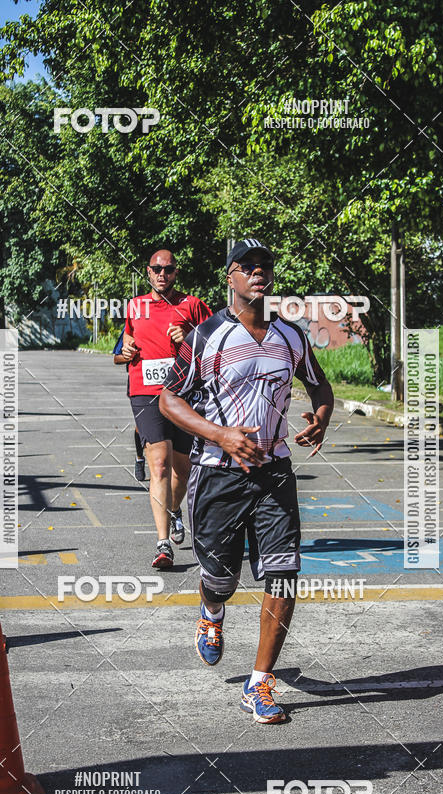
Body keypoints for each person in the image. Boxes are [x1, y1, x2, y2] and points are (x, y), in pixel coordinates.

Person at [159, 238, 334, 723]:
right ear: (230, 277)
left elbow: (319, 383)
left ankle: (260, 684)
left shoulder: (291, 337)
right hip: (217, 474)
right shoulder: (207, 336)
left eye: (266, 265)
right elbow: (168, 401)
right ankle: (211, 612)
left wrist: (321, 415)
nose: (259, 271)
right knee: (222, 579)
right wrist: (221, 435)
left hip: (274, 472)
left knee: (283, 572)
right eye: (248, 266)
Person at [123, 250, 212, 568]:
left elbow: (217, 347)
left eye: (168, 269)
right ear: (148, 272)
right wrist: (126, 349)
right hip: (145, 393)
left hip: (184, 393)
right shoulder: (135, 306)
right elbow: (122, 351)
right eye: (156, 269)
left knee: (182, 469)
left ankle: (174, 511)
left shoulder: (194, 305)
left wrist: (190, 336)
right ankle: (163, 544)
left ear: (176, 273)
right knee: (159, 465)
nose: (162, 273)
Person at [113, 326, 146, 481]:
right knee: (141, 424)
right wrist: (130, 356)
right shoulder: (133, 327)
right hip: (141, 383)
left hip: (167, 383)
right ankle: (139, 458)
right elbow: (116, 358)